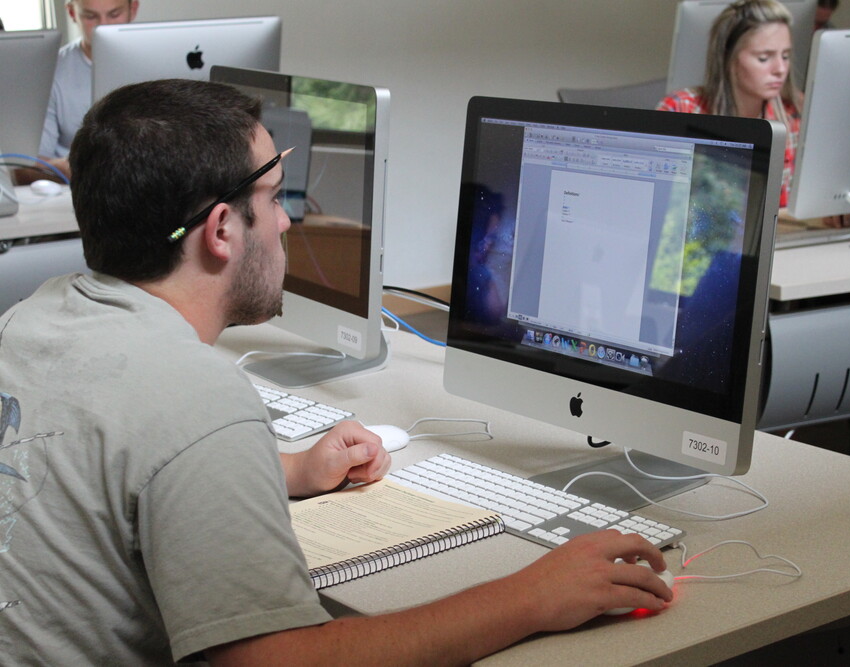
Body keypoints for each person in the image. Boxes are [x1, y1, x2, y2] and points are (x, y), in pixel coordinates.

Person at [0, 78, 673, 665]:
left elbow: (97, 458)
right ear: (221, 231)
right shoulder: (196, 398)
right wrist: (529, 594)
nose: (289, 220)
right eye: (273, 194)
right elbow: (286, 661)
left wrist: (278, 470)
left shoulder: (32, 319)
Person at [657, 0, 801, 209]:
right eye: (763, 58)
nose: (780, 69)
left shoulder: (791, 116)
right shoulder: (681, 109)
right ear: (728, 57)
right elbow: (661, 203)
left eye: (786, 56)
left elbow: (785, 209)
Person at [37, 0, 140, 179]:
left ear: (133, 8)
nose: (103, 26)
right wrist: (69, 168)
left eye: (114, 14)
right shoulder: (49, 71)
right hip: (76, 190)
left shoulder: (162, 60)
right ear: (72, 13)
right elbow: (25, 164)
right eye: (90, 16)